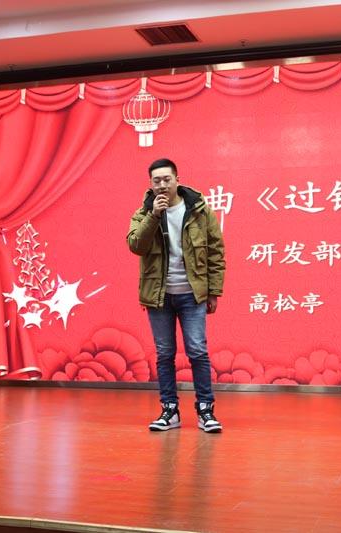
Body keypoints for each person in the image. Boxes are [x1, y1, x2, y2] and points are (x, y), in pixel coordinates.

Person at [127, 158, 225, 433]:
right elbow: (136, 245)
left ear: (177, 180)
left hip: (192, 295)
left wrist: (214, 291)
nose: (162, 185)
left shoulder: (199, 210)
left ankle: (206, 411)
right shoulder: (143, 212)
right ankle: (169, 410)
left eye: (166, 179)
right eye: (156, 181)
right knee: (164, 354)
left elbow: (216, 251)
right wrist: (154, 216)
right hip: (159, 296)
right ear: (151, 184)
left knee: (197, 351)